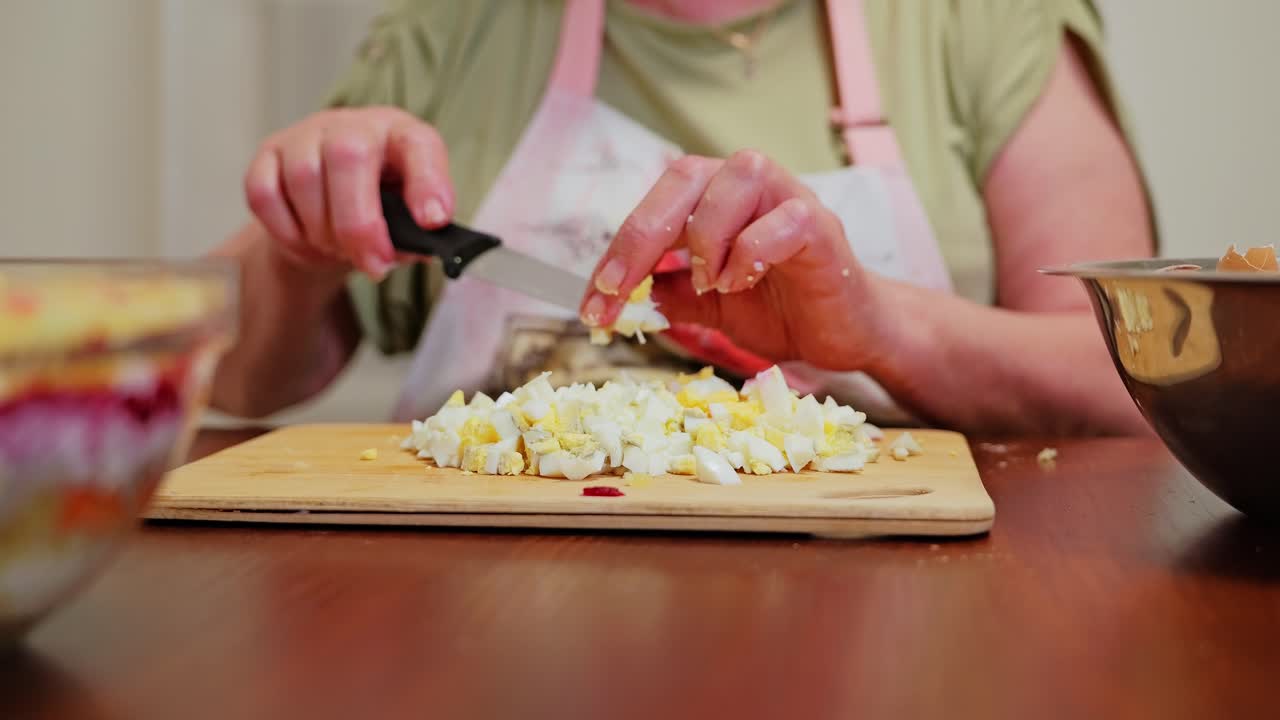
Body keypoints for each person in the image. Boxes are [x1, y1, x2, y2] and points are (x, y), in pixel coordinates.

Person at [210, 0, 1156, 436]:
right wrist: (300, 254)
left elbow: (1128, 376)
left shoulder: (978, 22)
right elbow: (237, 378)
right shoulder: (455, 28)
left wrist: (884, 328)